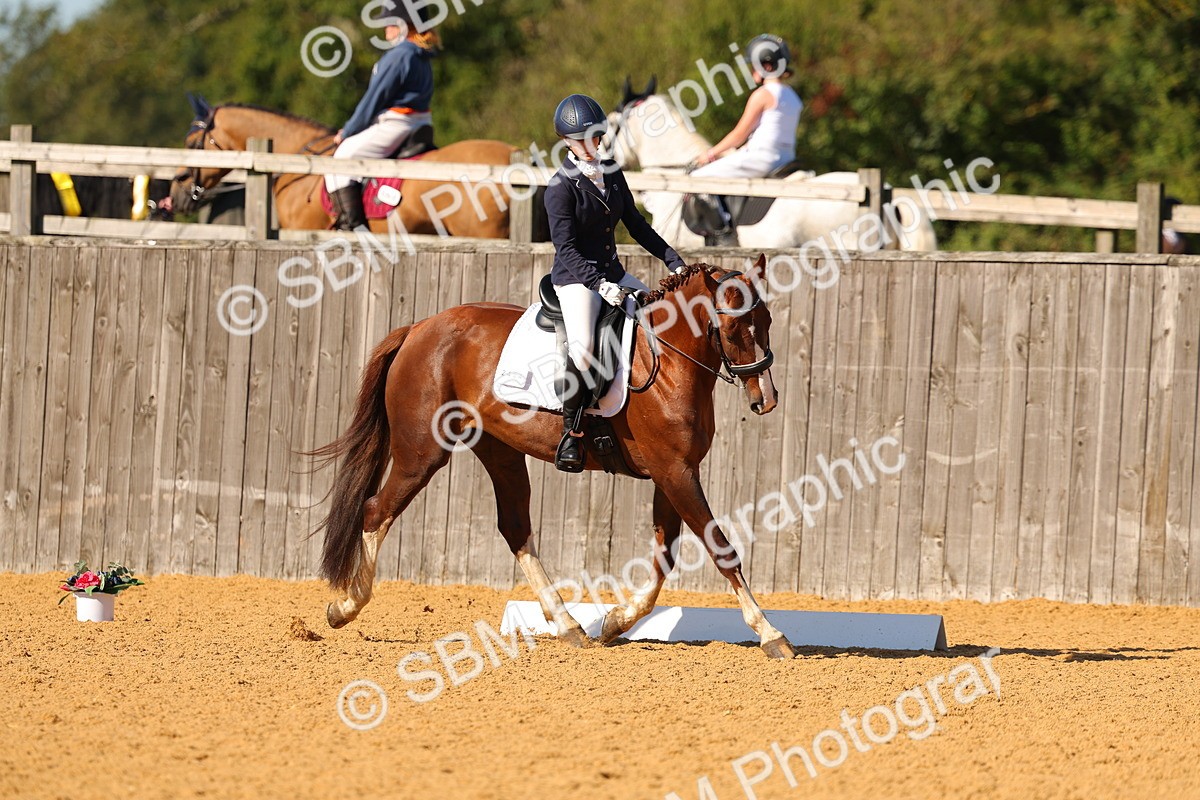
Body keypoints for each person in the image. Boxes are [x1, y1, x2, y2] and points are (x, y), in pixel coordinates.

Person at [544, 93, 687, 472]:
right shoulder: (560, 188)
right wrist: (599, 284)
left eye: (596, 137)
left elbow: (636, 225)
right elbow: (566, 248)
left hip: (612, 272)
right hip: (576, 279)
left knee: (659, 316)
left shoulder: (611, 171)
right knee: (585, 346)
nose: (592, 146)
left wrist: (672, 260)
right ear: (567, 142)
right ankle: (571, 434)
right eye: (583, 140)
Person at [324, 12, 440, 231]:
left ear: (404, 26)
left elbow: (373, 99)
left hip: (396, 122)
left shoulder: (400, 55)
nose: (385, 28)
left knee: (342, 158)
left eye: (390, 22)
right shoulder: (421, 54)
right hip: (419, 121)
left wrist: (348, 131)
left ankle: (352, 228)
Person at [690, 34, 802, 244]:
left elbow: (738, 134)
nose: (751, 72)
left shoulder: (763, 94)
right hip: (786, 158)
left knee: (696, 180)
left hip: (761, 158)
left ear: (766, 65)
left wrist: (710, 154)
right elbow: (771, 131)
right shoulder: (793, 96)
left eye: (754, 66)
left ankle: (725, 236)